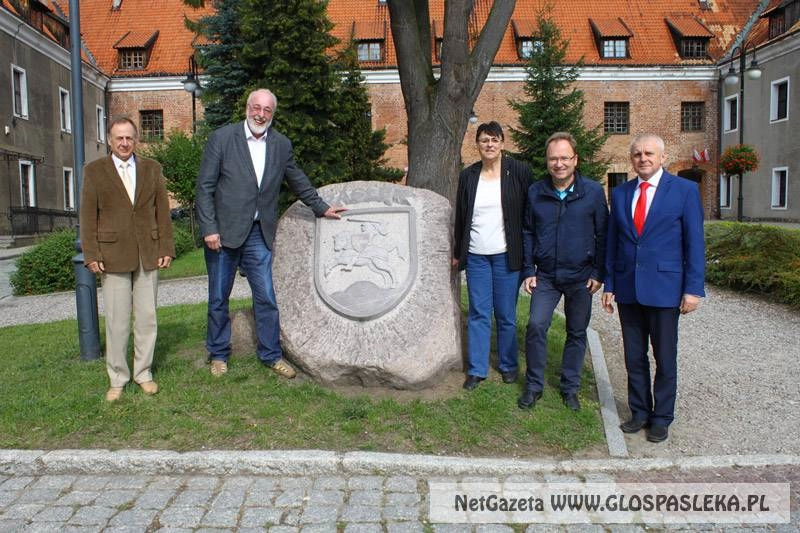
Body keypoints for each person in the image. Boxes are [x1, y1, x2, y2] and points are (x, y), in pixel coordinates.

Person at [196, 88, 346, 379]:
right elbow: (204, 188)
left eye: (267, 110)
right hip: (223, 234)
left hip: (258, 233)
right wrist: (209, 228)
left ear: (272, 114)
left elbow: (296, 178)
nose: (260, 114)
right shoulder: (222, 139)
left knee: (266, 297)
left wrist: (321, 207)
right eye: (256, 107)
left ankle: (271, 354)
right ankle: (218, 353)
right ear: (247, 108)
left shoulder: (280, 144)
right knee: (218, 297)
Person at [601, 133, 705, 443]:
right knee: (634, 356)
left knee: (664, 357)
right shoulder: (620, 194)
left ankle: (662, 417)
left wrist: (693, 288)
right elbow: (612, 243)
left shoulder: (685, 191)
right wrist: (610, 283)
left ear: (662, 157)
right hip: (628, 288)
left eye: (649, 153)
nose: (643, 158)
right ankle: (640, 412)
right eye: (637, 154)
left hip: (665, 289)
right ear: (631, 159)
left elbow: (694, 242)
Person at [80, 116, 175, 402]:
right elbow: (87, 216)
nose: (124, 143)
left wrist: (166, 248)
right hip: (111, 255)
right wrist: (92, 254)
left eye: (129, 138)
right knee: (117, 321)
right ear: (109, 140)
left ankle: (143, 373)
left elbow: (163, 211)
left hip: (149, 251)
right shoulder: (95, 171)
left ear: (136, 140)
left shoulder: (152, 169)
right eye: (119, 138)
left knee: (147, 318)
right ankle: (117, 378)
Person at [518, 132, 608, 411]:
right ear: (547, 162)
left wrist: (598, 272)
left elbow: (603, 235)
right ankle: (534, 386)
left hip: (581, 277)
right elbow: (527, 232)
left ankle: (570, 388)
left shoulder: (592, 192)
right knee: (535, 326)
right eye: (553, 158)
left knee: (576, 332)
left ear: (575, 160)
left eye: (564, 158)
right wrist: (527, 270)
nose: (559, 164)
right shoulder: (535, 192)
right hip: (545, 276)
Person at [452, 121, 532, 390]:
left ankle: (508, 364)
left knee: (506, 313)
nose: (489, 144)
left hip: (506, 255)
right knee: (478, 312)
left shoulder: (518, 171)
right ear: (477, 144)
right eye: (484, 140)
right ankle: (477, 368)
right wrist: (457, 252)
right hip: (476, 256)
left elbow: (527, 214)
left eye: (494, 140)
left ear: (502, 143)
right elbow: (462, 217)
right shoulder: (468, 176)